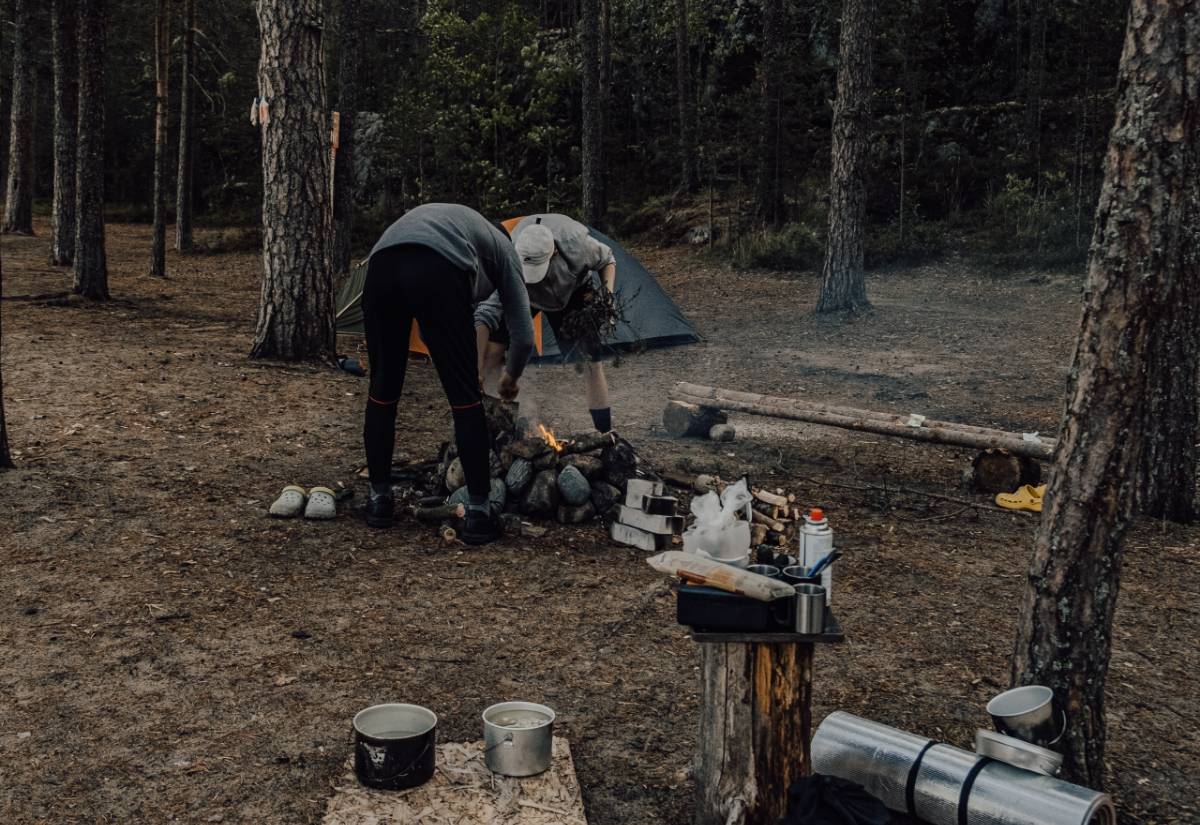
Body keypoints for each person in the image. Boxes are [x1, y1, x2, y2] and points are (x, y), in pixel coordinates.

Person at [362, 203, 534, 544]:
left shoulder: (462, 226)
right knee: (465, 398)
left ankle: (379, 500)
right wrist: (511, 376)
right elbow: (524, 336)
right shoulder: (506, 252)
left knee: (383, 389)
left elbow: (432, 328)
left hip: (380, 266)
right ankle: (480, 514)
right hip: (437, 267)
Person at [474, 214, 617, 433]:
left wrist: (607, 296)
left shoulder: (577, 244)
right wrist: (478, 370)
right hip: (523, 293)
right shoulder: (510, 260)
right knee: (493, 350)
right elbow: (484, 314)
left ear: (555, 254)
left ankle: (606, 434)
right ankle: (493, 423)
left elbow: (607, 259)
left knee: (590, 363)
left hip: (572, 292)